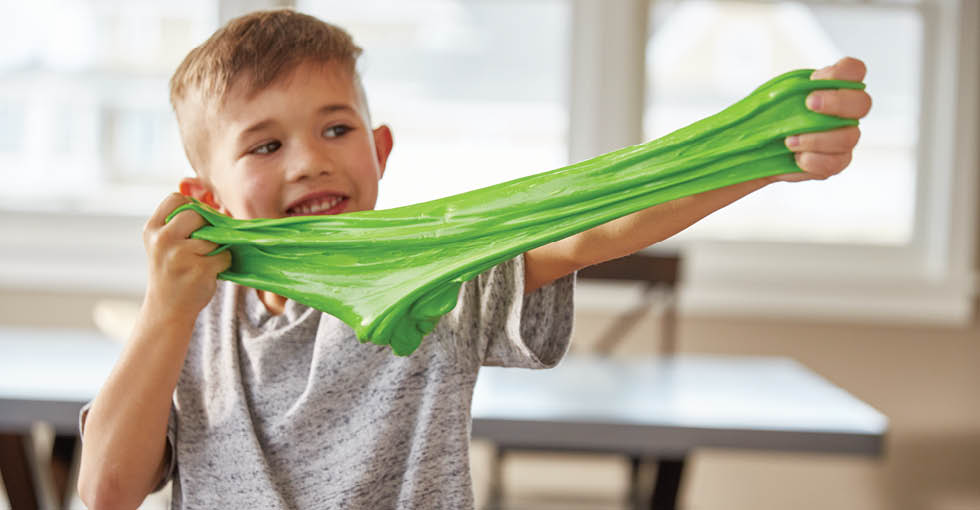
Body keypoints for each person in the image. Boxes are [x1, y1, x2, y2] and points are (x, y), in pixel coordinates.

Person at [76, 9, 872, 510]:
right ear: (203, 193)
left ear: (379, 151)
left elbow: (594, 225)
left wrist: (764, 151)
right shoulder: (187, 318)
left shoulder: (431, 276)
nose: (309, 161)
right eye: (265, 144)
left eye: (336, 129)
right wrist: (165, 310)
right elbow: (107, 491)